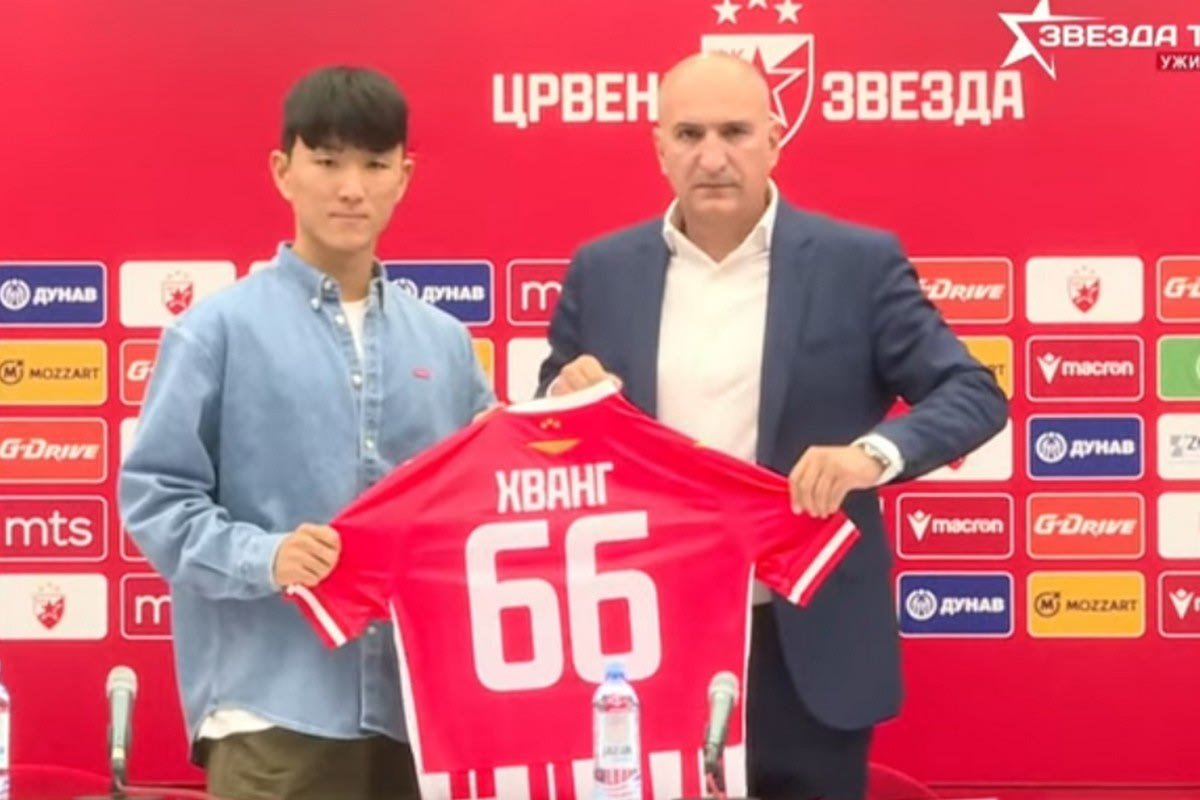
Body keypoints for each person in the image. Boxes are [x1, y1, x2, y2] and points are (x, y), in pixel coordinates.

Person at [538, 52, 1008, 800]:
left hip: (808, 644)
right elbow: (546, 418)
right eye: (689, 134)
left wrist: (871, 455)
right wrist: (562, 398)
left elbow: (973, 392)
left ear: (774, 140)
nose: (712, 156)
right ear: (658, 147)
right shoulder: (601, 272)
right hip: (647, 639)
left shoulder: (858, 264)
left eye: (735, 132)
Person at [119, 65, 494, 800]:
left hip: (421, 713)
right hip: (272, 711)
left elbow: (489, 499)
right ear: (282, 171)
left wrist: (569, 416)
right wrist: (268, 557)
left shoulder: (447, 344)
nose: (351, 188)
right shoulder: (214, 332)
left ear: (404, 177)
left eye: (374, 165)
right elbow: (156, 502)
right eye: (326, 162)